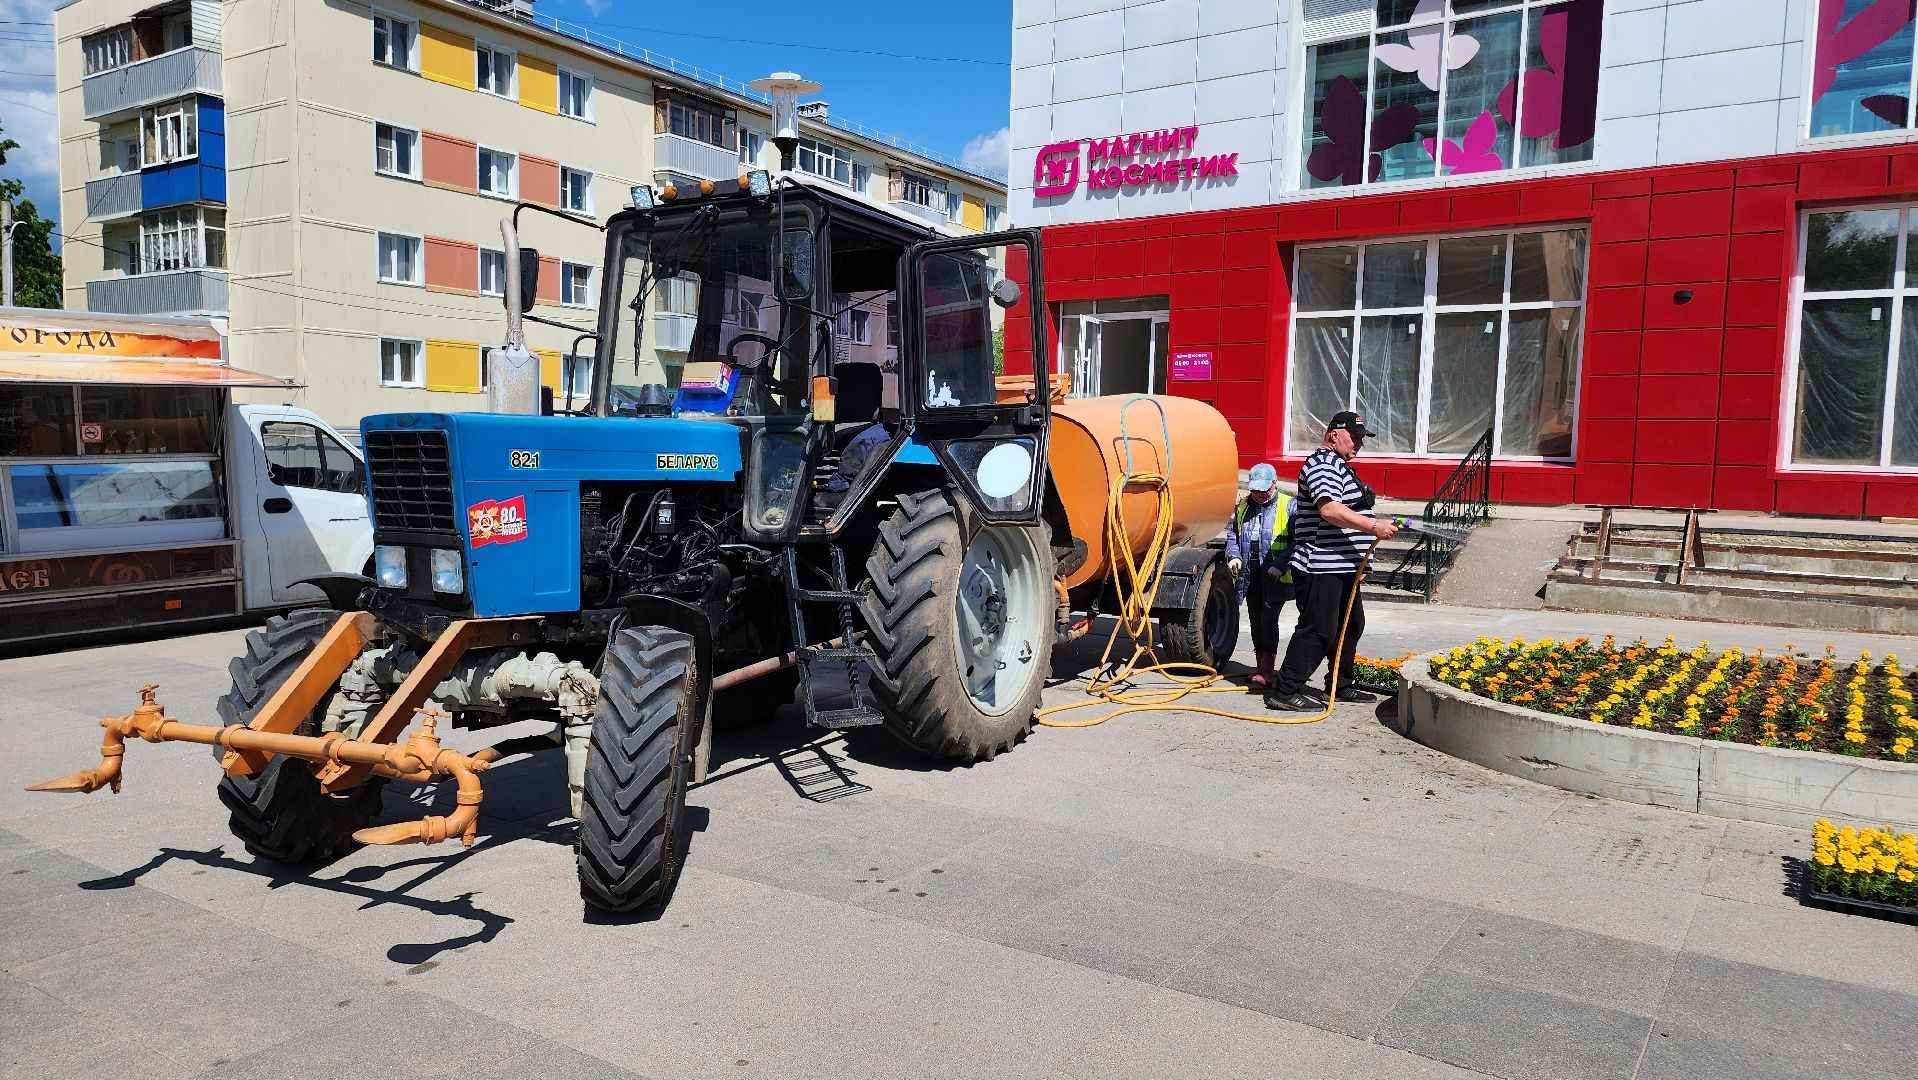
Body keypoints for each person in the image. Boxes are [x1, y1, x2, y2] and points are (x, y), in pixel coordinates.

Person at [1264, 411, 1398, 712]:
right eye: (1356, 437)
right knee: (1318, 629)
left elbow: (1349, 509)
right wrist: (1373, 527)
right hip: (1320, 564)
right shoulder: (1323, 464)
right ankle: (1286, 690)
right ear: (1334, 434)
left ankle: (1341, 683)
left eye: (1363, 438)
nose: (1360, 444)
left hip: (1342, 565)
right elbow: (1329, 510)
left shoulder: (1339, 466)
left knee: (1351, 625)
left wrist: (1361, 558)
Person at [1222, 462, 1293, 691]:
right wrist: (1232, 555)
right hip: (1249, 573)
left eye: (1264, 490)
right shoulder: (1244, 506)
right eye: (1255, 490)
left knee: (1268, 619)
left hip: (1275, 575)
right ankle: (1261, 666)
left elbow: (1299, 541)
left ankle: (1267, 670)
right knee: (1255, 619)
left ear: (1275, 484)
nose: (1259, 494)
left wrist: (1280, 565)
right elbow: (1233, 534)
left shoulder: (1289, 505)